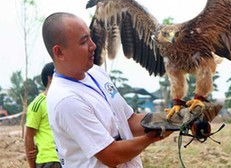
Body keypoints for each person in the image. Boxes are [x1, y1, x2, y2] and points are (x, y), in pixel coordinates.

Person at [42, 12, 172, 167]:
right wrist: (153, 136)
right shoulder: (66, 99)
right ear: (59, 52)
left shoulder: (96, 73)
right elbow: (111, 155)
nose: (93, 45)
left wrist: (171, 118)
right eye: (84, 42)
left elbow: (129, 121)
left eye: (90, 37)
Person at [25, 62, 61, 168]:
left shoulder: (65, 101)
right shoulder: (38, 104)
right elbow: (29, 136)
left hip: (68, 158)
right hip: (49, 160)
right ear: (50, 78)